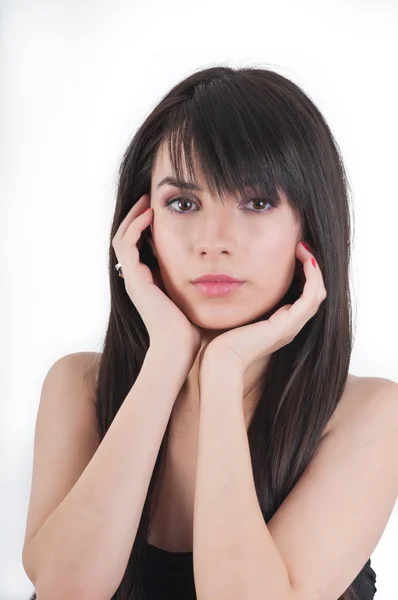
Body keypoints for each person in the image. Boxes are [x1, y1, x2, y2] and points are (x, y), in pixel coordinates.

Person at [24, 64, 397, 600]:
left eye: (258, 202)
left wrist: (223, 373)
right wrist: (167, 356)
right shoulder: (78, 385)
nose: (214, 241)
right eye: (183, 203)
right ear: (143, 227)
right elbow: (67, 588)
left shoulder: (368, 414)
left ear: (309, 227)